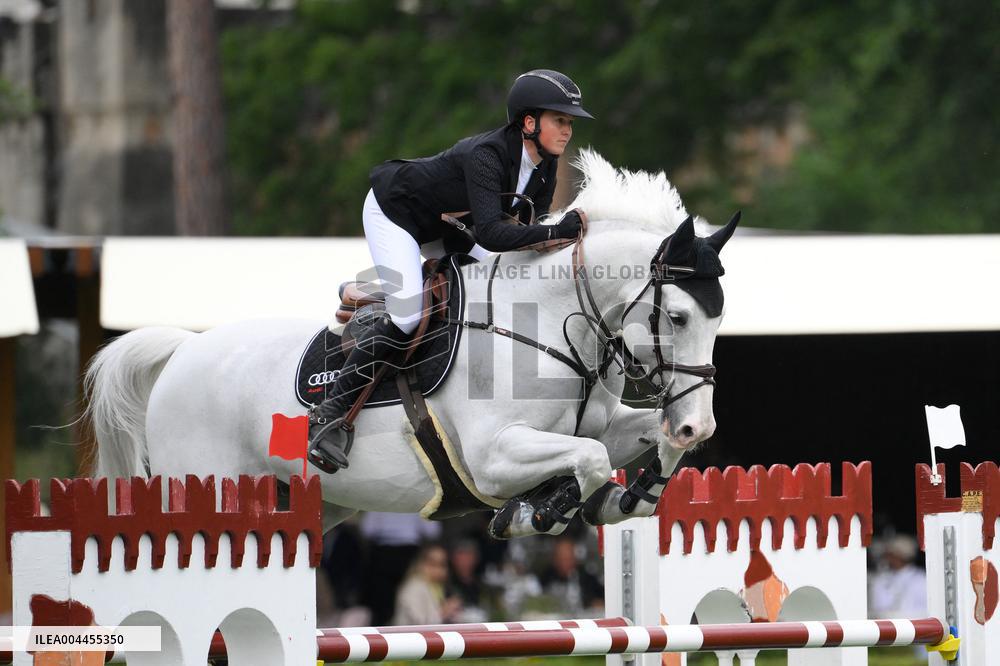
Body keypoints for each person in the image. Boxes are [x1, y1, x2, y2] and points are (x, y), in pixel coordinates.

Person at [308, 69, 595, 473]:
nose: (567, 131)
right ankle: (330, 411)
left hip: (449, 226)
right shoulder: (488, 155)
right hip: (397, 213)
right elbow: (496, 233)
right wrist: (554, 231)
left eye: (569, 123)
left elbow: (527, 233)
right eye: (559, 120)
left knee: (503, 281)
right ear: (529, 123)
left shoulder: (546, 166)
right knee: (408, 315)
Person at [393, 542, 462, 625]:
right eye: (433, 564)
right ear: (421, 564)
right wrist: (444, 612)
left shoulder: (438, 586)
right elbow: (419, 622)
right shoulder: (413, 587)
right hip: (408, 636)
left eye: (442, 564)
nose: (438, 569)